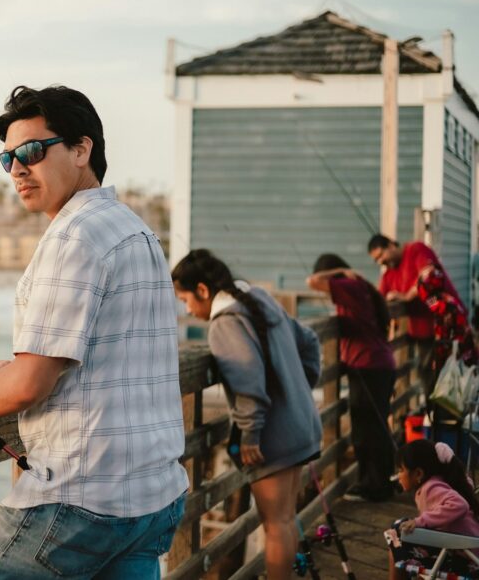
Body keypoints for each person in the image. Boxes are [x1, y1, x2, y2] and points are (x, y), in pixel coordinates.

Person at [0, 85, 188, 579]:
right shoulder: (137, 231)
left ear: (82, 149)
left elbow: (29, 386)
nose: (18, 169)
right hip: (151, 497)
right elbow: (114, 353)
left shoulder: (72, 234)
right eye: (8, 159)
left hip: (79, 502)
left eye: (32, 152)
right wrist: (22, 366)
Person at [172, 249, 321, 580]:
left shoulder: (225, 324)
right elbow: (309, 342)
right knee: (287, 518)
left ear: (203, 290)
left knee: (277, 524)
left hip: (273, 438)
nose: (186, 308)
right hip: (300, 425)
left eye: (185, 299)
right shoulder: (258, 298)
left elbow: (249, 380)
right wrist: (296, 390)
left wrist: (251, 432)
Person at [306, 253, 396, 502]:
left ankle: (373, 486)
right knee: (374, 427)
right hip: (378, 365)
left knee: (366, 430)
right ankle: (381, 482)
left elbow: (312, 281)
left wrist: (340, 272)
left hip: (369, 367)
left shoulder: (349, 285)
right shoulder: (358, 286)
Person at [368, 234, 475, 396]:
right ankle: (438, 416)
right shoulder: (389, 275)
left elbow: (428, 275)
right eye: (376, 260)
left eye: (381, 255)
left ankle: (455, 414)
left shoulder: (416, 249)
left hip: (448, 326)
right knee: (430, 377)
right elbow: (378, 298)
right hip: (423, 335)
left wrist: (406, 296)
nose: (380, 261)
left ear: (390, 245)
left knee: (461, 372)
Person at [386, 440, 479, 579]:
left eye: (401, 470)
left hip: (468, 559)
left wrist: (420, 522)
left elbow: (460, 504)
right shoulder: (439, 482)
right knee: (400, 534)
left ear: (418, 474)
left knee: (396, 538)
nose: (398, 475)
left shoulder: (431, 488)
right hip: (463, 550)